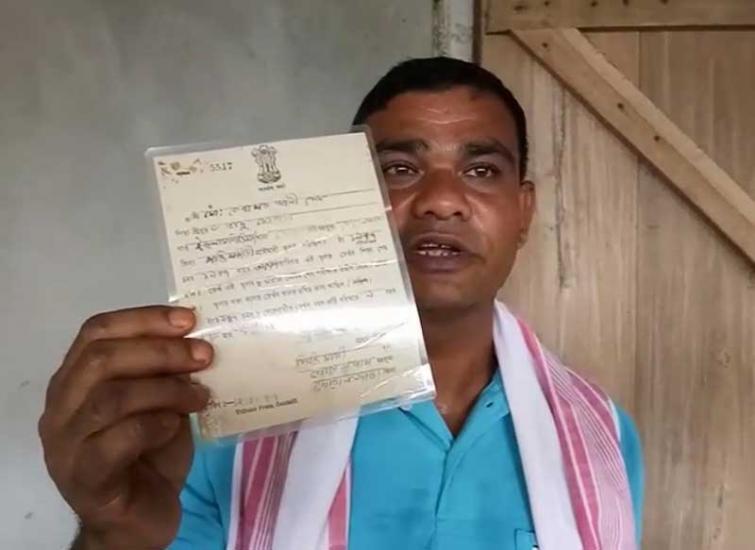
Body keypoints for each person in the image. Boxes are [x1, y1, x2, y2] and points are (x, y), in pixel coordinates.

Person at [39, 57, 644, 550]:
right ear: (346, 194)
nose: (440, 200)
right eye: (400, 168)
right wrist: (113, 534)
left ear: (524, 212)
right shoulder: (220, 415)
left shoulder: (602, 433)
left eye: (482, 170)